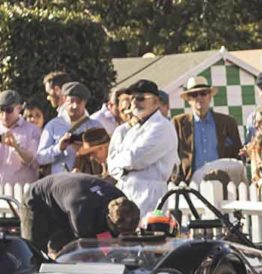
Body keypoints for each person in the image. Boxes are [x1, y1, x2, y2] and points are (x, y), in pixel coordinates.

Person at [18, 173, 140, 255]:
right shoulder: (82, 213)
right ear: (108, 218)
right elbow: (88, 249)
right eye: (118, 231)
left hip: (66, 200)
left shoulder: (120, 198)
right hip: (37, 200)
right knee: (34, 253)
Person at [107, 80, 178, 214]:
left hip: (149, 195)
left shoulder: (162, 127)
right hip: (126, 192)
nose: (134, 102)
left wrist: (122, 163)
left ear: (156, 102)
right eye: (132, 98)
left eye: (140, 98)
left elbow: (136, 158)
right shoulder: (133, 129)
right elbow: (111, 164)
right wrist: (124, 167)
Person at [174, 76, 243, 185]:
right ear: (189, 100)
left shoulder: (228, 123)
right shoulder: (178, 124)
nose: (199, 97)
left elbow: (238, 155)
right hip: (190, 185)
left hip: (224, 184)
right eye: (194, 94)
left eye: (203, 93)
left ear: (210, 96)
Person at [37, 82, 104, 175]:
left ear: (85, 103)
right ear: (64, 99)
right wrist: (58, 148)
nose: (75, 106)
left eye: (79, 102)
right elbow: (40, 158)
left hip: (88, 180)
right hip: (61, 181)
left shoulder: (95, 126)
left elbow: (106, 155)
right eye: (71, 101)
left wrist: (86, 149)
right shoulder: (53, 125)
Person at [0, 89, 42, 186]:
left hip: (23, 190)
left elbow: (33, 160)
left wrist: (16, 147)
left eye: (9, 110)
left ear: (19, 108)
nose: (4, 115)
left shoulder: (32, 130)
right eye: (1, 110)